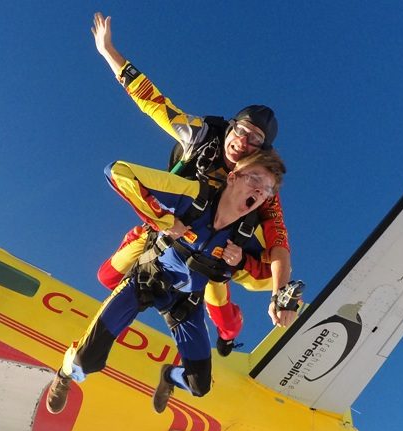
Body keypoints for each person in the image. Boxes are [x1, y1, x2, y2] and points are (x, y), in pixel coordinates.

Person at [90, 13, 297, 356]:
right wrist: (109, 52)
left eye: (254, 141)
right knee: (107, 277)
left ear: (261, 152)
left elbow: (279, 244)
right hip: (174, 226)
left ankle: (227, 335)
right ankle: (143, 294)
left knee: (222, 307)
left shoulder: (263, 185)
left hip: (217, 250)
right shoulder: (201, 136)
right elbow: (154, 103)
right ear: (230, 126)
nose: (242, 142)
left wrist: (280, 292)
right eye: (241, 130)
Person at [47, 150, 292, 414]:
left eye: (267, 189)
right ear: (232, 177)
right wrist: (163, 219)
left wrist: (246, 264)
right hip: (146, 280)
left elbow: (275, 268)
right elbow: (117, 171)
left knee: (199, 385)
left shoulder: (246, 235)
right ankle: (65, 374)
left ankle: (169, 377)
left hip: (185, 303)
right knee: (86, 359)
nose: (259, 190)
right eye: (254, 178)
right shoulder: (193, 196)